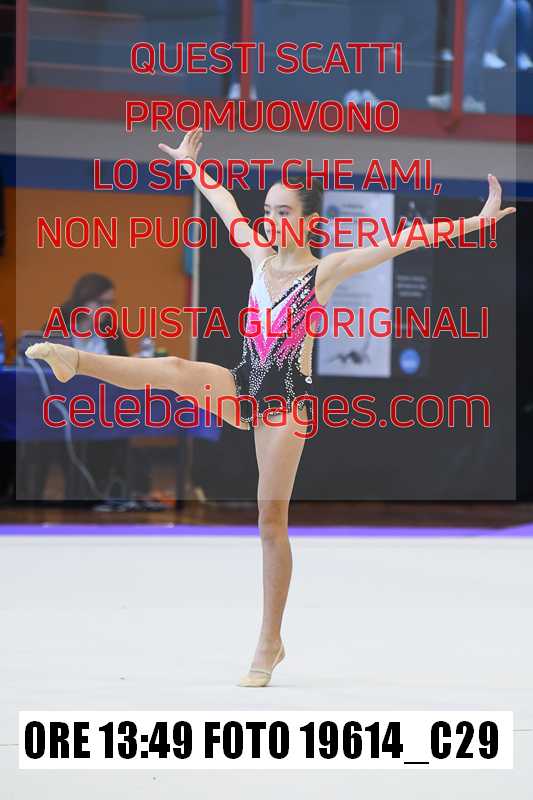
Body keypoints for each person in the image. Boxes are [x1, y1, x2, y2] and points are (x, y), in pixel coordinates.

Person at [26, 128, 516, 687]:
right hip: (244, 384)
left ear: (308, 221)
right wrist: (191, 166)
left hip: (288, 400)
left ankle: (270, 640)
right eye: (267, 210)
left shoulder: (323, 272)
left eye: (283, 211)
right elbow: (223, 203)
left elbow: (402, 240)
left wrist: (475, 222)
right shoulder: (258, 259)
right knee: (177, 370)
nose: (270, 219)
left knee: (269, 520)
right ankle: (74, 361)